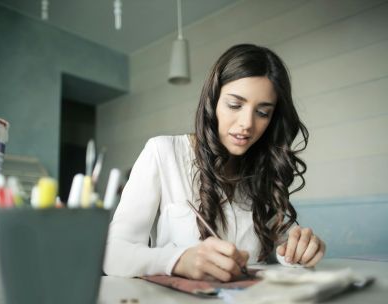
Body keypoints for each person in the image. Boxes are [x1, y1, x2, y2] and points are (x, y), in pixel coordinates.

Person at [103, 44, 326, 282]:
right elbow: (113, 253)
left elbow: (286, 245)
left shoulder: (263, 171)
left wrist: (302, 249)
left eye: (262, 112)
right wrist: (178, 260)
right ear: (213, 101)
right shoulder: (163, 152)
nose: (247, 124)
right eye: (235, 105)